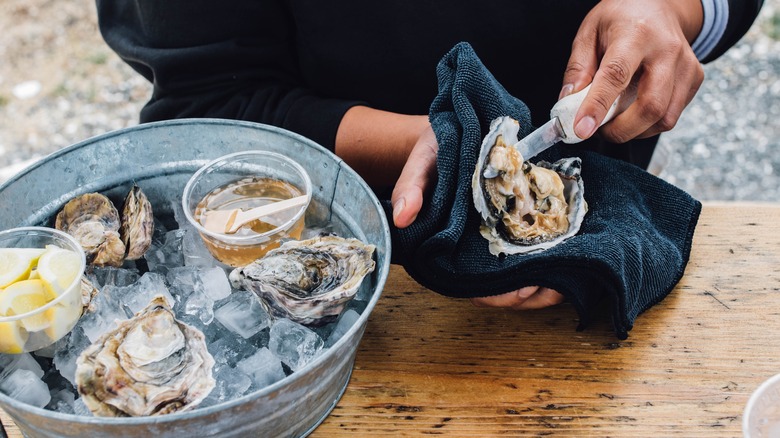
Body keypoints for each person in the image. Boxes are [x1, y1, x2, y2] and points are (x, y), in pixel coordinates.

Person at [96, 0, 762, 310]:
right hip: (346, 276)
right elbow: (212, 103)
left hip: (604, 209)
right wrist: (436, 145)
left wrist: (676, 13)